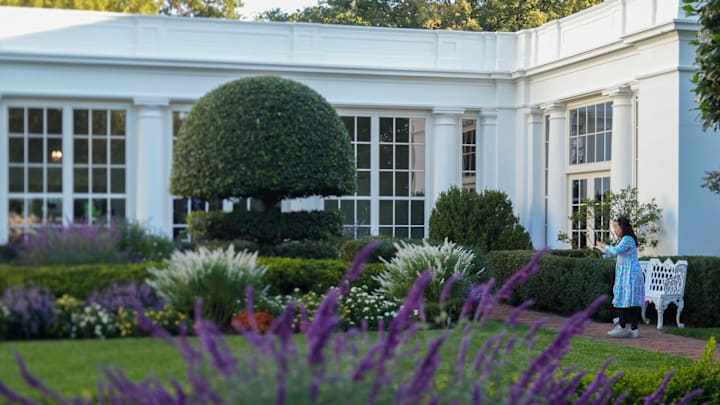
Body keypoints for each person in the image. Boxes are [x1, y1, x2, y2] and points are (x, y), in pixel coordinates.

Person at [596, 217, 644, 338]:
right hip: (628, 274)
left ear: (623, 227)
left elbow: (616, 250)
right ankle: (633, 329)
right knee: (629, 300)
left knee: (623, 298)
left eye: (616, 227)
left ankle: (622, 327)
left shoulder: (627, 239)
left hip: (630, 275)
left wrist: (604, 246)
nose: (615, 230)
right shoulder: (626, 239)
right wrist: (604, 252)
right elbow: (615, 253)